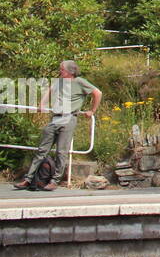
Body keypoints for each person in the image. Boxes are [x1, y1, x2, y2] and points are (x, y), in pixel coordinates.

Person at [15, 61, 101, 191]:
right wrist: (42, 104)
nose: (60, 71)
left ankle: (55, 181)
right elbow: (50, 90)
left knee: (61, 152)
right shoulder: (59, 82)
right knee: (42, 150)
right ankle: (28, 179)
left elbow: (97, 93)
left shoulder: (80, 82)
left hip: (69, 118)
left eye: (62, 70)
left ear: (70, 72)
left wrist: (92, 111)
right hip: (55, 117)